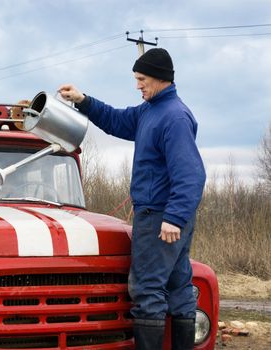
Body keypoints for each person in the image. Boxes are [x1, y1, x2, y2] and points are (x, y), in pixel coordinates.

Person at [58, 48, 206, 350]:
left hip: (160, 218)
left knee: (148, 291)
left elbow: (191, 174)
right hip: (167, 217)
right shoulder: (149, 110)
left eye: (142, 79)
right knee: (178, 289)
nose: (138, 85)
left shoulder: (174, 116)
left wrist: (174, 217)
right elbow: (116, 120)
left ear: (160, 78)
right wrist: (83, 101)